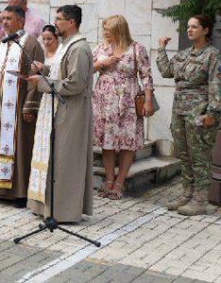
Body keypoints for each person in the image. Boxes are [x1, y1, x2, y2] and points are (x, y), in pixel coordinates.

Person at [27, 4, 93, 223]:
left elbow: (76, 84)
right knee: (53, 159)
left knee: (65, 160)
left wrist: (44, 83)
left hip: (70, 112)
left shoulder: (79, 48)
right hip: (58, 108)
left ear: (71, 22)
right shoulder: (66, 45)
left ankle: (64, 211)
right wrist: (44, 70)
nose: (55, 23)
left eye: (59, 19)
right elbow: (61, 73)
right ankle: (48, 208)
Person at [157, 14, 221, 216]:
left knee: (199, 156)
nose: (189, 30)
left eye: (194, 27)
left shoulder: (212, 55)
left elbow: (216, 84)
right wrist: (161, 49)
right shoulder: (184, 54)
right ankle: (187, 194)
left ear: (205, 30)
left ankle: (200, 200)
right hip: (180, 111)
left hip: (199, 112)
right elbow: (167, 71)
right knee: (184, 154)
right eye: (188, 27)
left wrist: (212, 112)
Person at [0, 5, 43, 204]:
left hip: (17, 108)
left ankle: (19, 192)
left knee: (19, 146)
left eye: (8, 18)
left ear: (21, 21)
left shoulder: (31, 44)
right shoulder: (0, 44)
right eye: (2, 18)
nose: (4, 22)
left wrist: (29, 105)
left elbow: (35, 77)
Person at [92, 15, 154, 200]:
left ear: (119, 30)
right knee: (107, 143)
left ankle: (120, 181)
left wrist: (148, 100)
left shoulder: (136, 48)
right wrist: (104, 62)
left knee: (127, 143)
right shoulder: (101, 48)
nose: (105, 33)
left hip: (127, 101)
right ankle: (109, 179)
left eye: (108, 30)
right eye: (104, 30)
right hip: (105, 101)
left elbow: (146, 76)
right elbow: (88, 68)